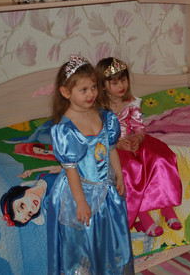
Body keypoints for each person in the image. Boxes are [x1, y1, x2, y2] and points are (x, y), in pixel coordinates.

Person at [45, 54, 134, 274]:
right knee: (85, 242)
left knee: (108, 239)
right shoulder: (65, 129)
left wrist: (119, 176)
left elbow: (111, 149)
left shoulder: (104, 116)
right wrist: (80, 201)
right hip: (80, 191)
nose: (91, 94)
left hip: (105, 188)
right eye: (83, 90)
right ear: (66, 92)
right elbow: (71, 169)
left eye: (93, 87)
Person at [95, 57, 183, 237]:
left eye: (123, 80)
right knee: (130, 169)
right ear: (103, 86)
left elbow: (138, 127)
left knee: (161, 159)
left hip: (134, 141)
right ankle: (142, 214)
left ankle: (166, 206)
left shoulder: (131, 102)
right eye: (115, 83)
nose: (121, 86)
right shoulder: (99, 109)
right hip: (113, 147)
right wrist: (117, 143)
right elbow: (97, 134)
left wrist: (138, 137)